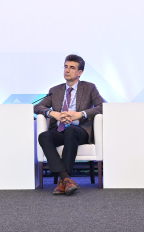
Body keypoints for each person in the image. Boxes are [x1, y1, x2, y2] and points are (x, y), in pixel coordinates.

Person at [34, 54, 105, 195]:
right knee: (43, 136)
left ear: (80, 72)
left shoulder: (89, 88)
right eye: (66, 67)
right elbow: (37, 107)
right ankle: (66, 179)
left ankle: (63, 180)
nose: (67, 70)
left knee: (71, 130)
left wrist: (81, 114)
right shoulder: (55, 90)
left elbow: (102, 106)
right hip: (60, 130)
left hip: (80, 131)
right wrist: (53, 113)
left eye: (72, 68)